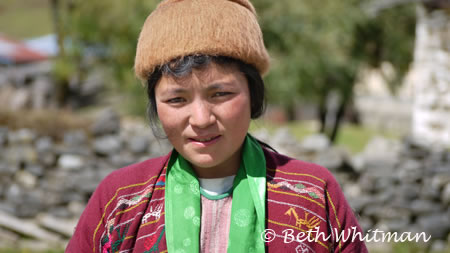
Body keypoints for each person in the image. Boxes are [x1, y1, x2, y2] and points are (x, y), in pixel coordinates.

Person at [66, 0, 368, 252]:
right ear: (155, 106)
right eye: (176, 99)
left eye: (220, 94)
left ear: (254, 94)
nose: (201, 119)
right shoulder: (121, 199)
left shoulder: (314, 195)